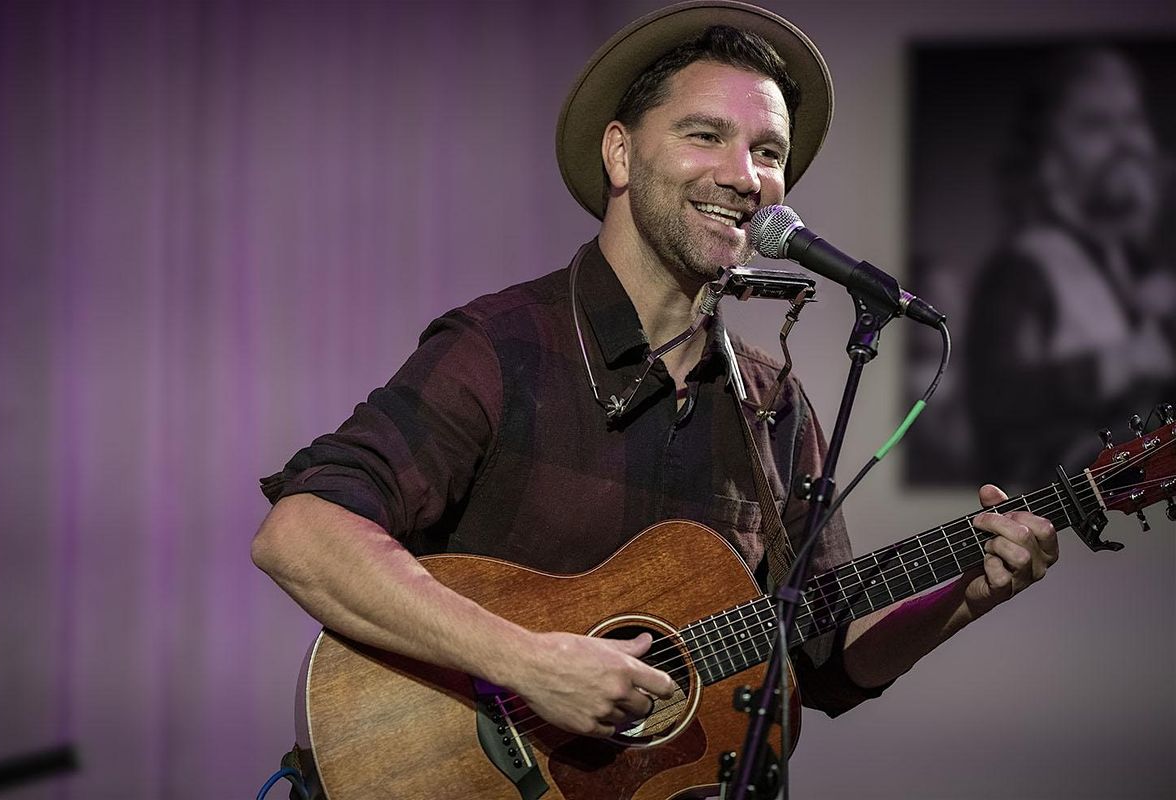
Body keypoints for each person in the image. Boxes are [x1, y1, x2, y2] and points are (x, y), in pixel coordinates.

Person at [252, 1, 1057, 795]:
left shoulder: (772, 403)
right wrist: (527, 662)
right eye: (705, 134)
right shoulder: (502, 347)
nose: (744, 176)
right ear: (621, 154)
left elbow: (828, 661)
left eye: (768, 151)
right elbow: (302, 532)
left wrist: (966, 593)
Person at [966, 45, 1176, 486]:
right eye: (1096, 125)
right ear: (1046, 153)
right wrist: (1125, 361)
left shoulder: (1131, 262)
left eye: (1132, 120)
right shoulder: (1024, 269)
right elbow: (999, 404)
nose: (1128, 143)